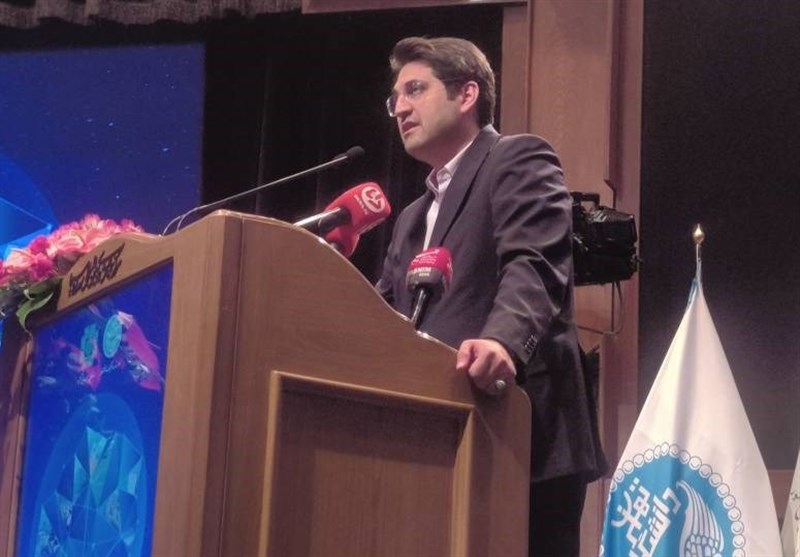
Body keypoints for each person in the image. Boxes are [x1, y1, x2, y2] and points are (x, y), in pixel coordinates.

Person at [375, 36, 606, 556]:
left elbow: (535, 264)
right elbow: (385, 314)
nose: (401, 108)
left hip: (520, 429)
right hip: (434, 435)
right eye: (395, 98)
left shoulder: (516, 157)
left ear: (467, 94)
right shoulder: (411, 218)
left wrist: (502, 341)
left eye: (415, 90)